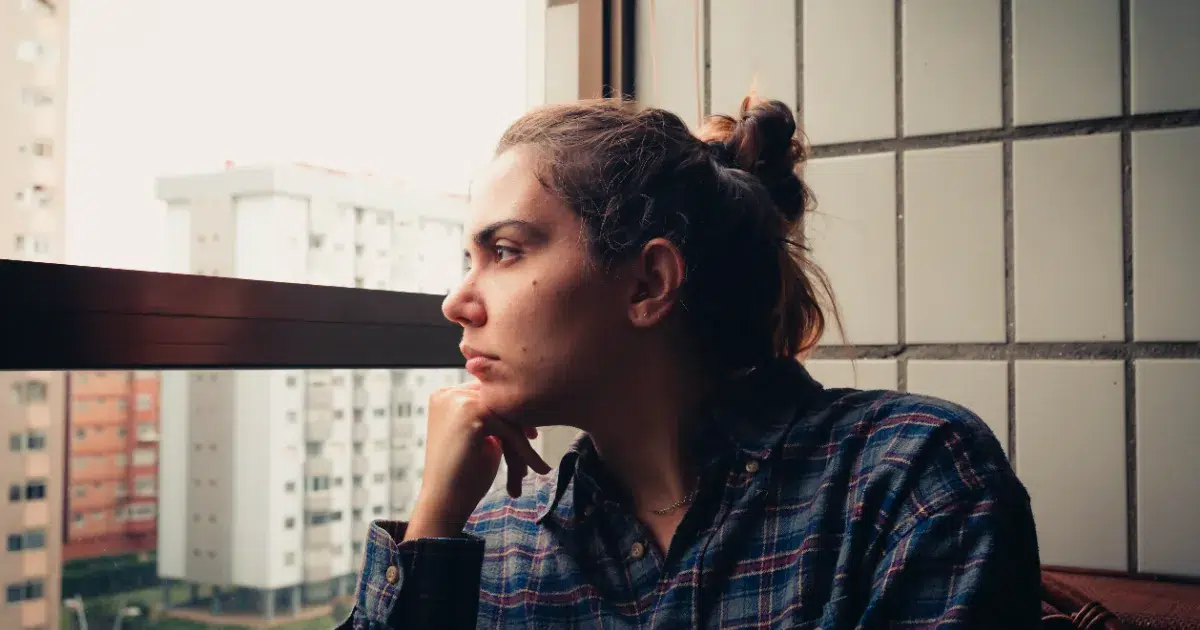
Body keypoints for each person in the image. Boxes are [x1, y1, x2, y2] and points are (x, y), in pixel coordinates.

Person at [338, 96, 1042, 629]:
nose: (457, 302)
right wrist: (431, 528)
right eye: (472, 257)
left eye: (507, 251)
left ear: (647, 284)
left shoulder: (904, 481)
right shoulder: (496, 544)